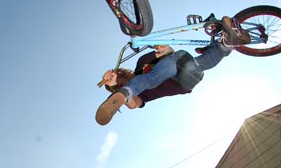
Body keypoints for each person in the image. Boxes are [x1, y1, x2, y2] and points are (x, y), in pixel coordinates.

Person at [95, 16, 251, 125]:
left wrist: (163, 48)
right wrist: (116, 86)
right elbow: (134, 105)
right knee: (189, 68)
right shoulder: (141, 95)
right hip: (184, 81)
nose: (124, 76)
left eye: (122, 74)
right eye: (122, 81)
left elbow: (168, 52)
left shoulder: (141, 62)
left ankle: (222, 37)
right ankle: (228, 44)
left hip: (177, 60)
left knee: (156, 74)